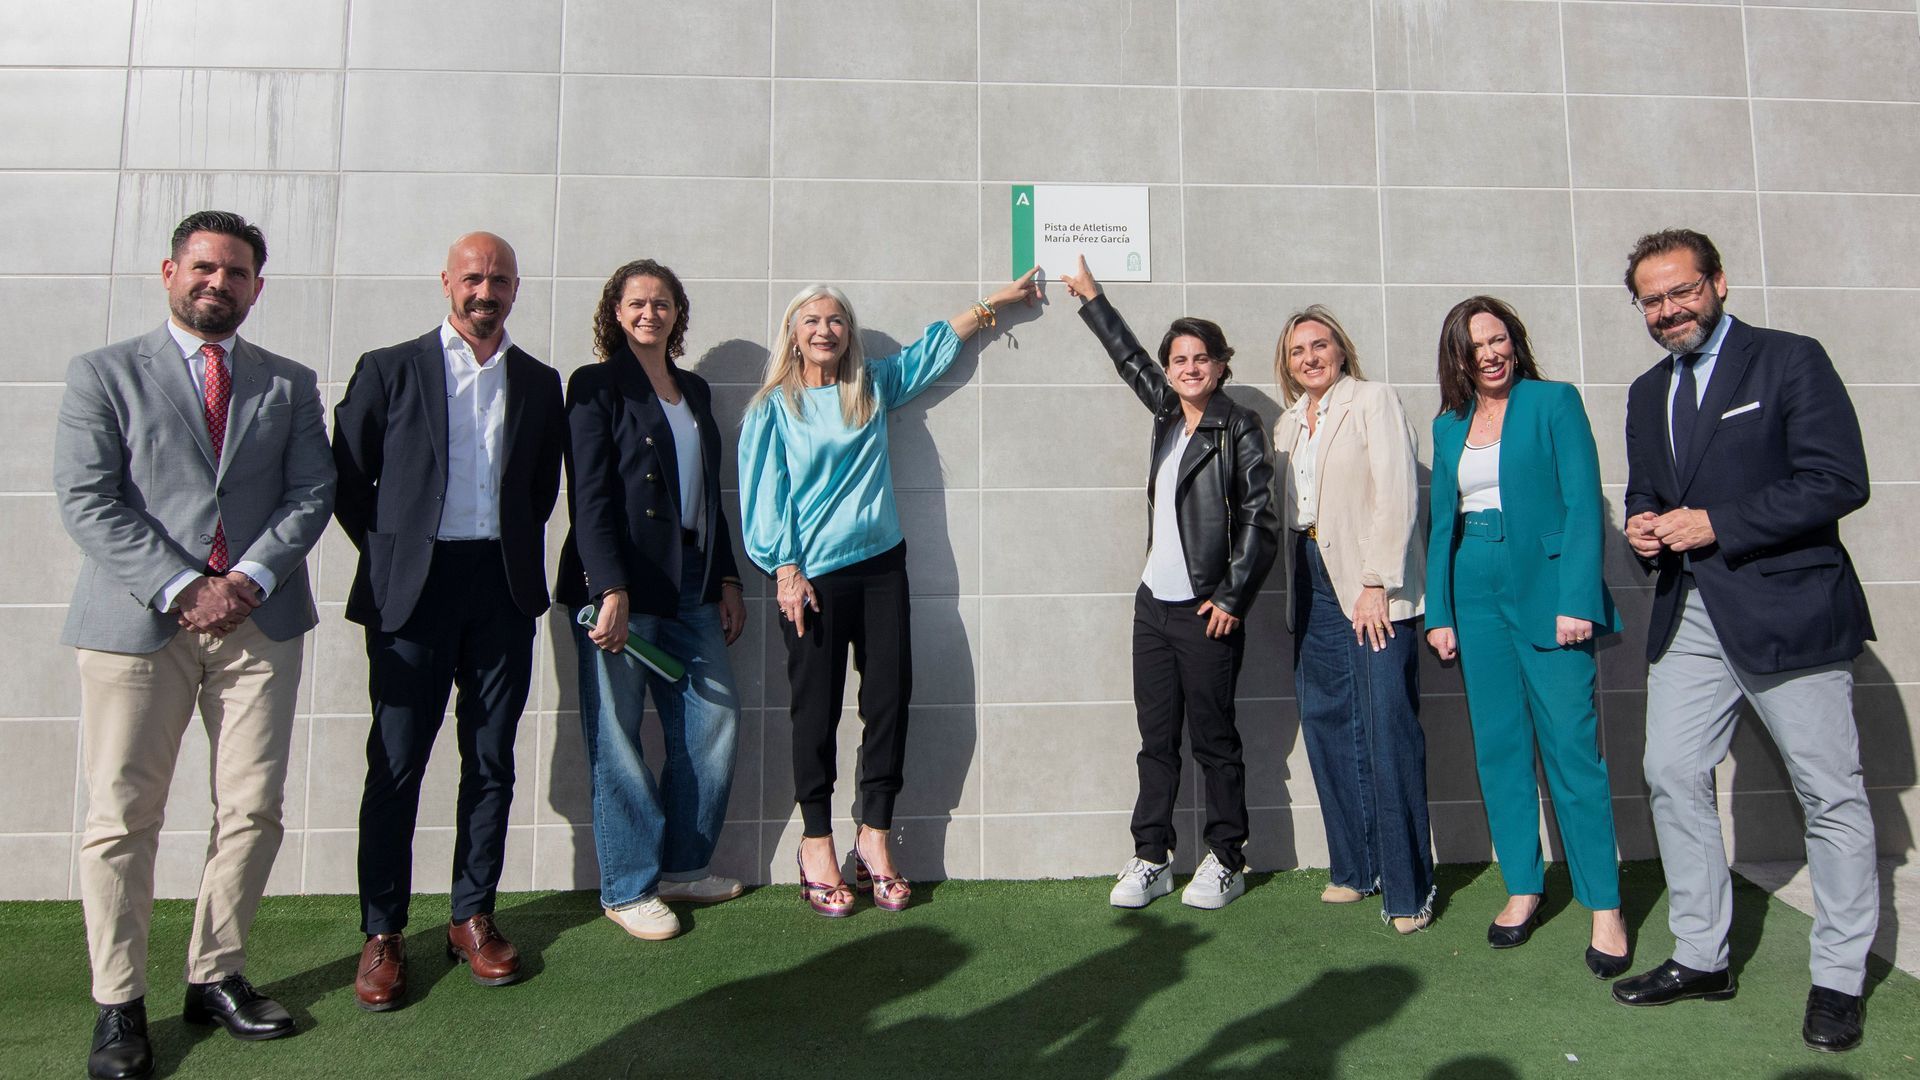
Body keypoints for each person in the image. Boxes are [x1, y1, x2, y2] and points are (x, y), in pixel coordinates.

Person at [54, 210, 335, 1080]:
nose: (220, 284)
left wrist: (245, 580)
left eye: (238, 273)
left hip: (259, 625)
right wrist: (187, 587)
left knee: (251, 809)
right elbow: (88, 499)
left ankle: (215, 974)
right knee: (122, 819)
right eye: (204, 268)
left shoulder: (287, 383)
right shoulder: (103, 374)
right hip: (140, 628)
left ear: (258, 285)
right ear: (169, 270)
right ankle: (119, 1004)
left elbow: (311, 492)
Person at [1613, 228, 1877, 1053]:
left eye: (1680, 291)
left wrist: (1718, 523)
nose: (1667, 311)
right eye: (1651, 300)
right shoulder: (1646, 389)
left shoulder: (1790, 360)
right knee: (1669, 770)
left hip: (1786, 610)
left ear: (1718, 282)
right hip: (1688, 611)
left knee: (1828, 794)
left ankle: (1838, 975)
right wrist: (1643, 527)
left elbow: (1838, 481)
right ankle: (1702, 955)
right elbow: (1651, 489)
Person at [740, 270, 1040, 916]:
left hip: (882, 569)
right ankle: (815, 845)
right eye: (812, 321)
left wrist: (995, 307)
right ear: (794, 334)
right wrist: (785, 569)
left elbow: (932, 349)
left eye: (836, 320)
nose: (825, 330)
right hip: (811, 579)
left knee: (889, 701)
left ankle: (874, 838)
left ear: (847, 333)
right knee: (814, 713)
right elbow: (763, 497)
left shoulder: (869, 385)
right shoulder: (772, 408)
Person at [330, 232, 566, 1009]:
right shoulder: (389, 368)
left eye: (498, 278)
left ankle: (472, 915)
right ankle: (383, 931)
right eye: (472, 277)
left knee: (491, 758)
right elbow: (349, 479)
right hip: (413, 595)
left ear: (516, 287)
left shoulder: (538, 381)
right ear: (446, 283)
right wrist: (397, 551)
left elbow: (538, 489)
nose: (484, 291)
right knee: (396, 766)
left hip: (499, 587)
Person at [1059, 256, 1279, 911]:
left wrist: (1233, 598)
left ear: (1220, 364)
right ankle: (1151, 857)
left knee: (1214, 742)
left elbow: (1262, 519)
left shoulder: (1238, 426)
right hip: (1153, 609)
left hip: (1206, 612)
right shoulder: (1166, 414)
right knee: (1156, 743)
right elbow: (1130, 360)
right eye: (1178, 359)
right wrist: (1093, 298)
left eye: (1200, 358)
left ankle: (1227, 860)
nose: (1188, 368)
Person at [1422, 296, 1629, 976]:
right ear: (1457, 356)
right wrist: (1441, 613)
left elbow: (1581, 505)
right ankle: (1523, 887)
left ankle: (1604, 905)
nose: (1490, 351)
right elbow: (1441, 524)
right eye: (1475, 343)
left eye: (1499, 337)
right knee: (1501, 749)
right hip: (1473, 585)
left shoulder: (1554, 402)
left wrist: (1576, 598)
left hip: (1545, 587)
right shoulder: (1448, 425)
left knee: (1572, 750)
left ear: (1515, 341)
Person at [557, 259, 748, 941]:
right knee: (618, 733)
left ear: (678, 313)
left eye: (662, 303)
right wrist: (608, 586)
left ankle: (682, 866)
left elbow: (709, 494)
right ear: (615, 311)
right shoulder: (596, 386)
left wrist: (726, 577)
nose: (649, 313)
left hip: (692, 582)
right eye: (636, 303)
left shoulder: (693, 389)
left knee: (712, 723)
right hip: (624, 587)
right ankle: (628, 885)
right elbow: (590, 496)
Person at [1272, 306, 1433, 933]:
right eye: (1296, 351)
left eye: (1319, 345)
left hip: (1369, 582)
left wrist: (1376, 581)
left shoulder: (1371, 400)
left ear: (1342, 349)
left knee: (1387, 725)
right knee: (1327, 719)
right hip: (1309, 577)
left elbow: (1397, 493)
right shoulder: (1289, 424)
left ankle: (1409, 887)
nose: (1309, 358)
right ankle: (1354, 868)